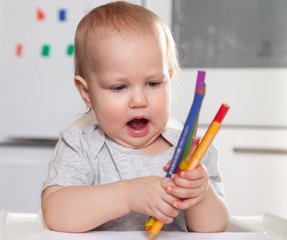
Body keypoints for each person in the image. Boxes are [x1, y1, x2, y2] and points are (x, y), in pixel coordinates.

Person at [41, 1, 229, 233]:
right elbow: (55, 213)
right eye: (119, 87)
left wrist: (200, 195)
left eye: (153, 83)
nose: (139, 100)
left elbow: (216, 229)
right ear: (87, 94)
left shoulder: (194, 154)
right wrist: (127, 195)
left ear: (168, 80)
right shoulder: (82, 148)